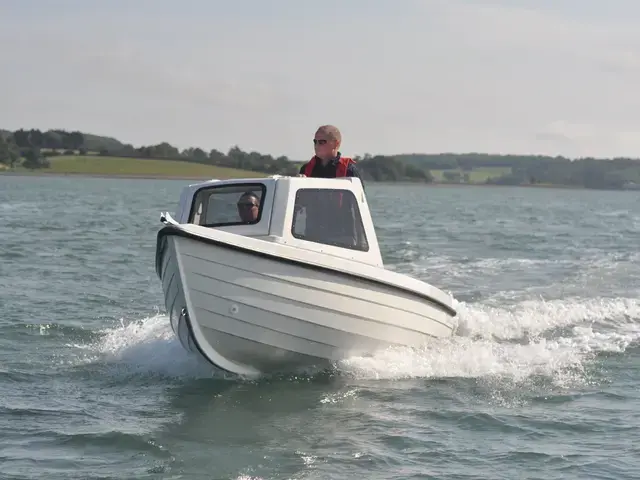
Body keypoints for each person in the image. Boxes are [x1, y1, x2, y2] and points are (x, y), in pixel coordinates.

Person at [298, 125, 364, 189]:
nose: (316, 145)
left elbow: (359, 198)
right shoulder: (306, 169)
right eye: (315, 142)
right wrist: (300, 183)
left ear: (336, 144)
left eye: (322, 142)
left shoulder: (349, 170)